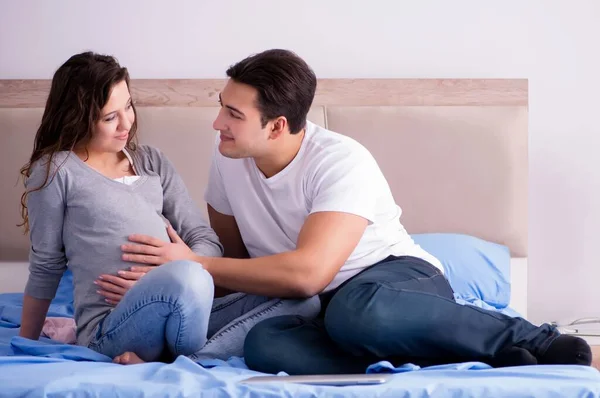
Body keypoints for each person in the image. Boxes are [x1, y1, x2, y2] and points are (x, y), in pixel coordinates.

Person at [100, 49, 592, 373]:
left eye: (233, 114)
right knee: (265, 346)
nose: (217, 123)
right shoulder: (227, 156)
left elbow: (310, 274)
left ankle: (537, 340)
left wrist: (194, 263)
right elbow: (237, 266)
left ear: (277, 127)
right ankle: (459, 353)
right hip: (324, 310)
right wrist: (160, 284)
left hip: (394, 281)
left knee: (359, 315)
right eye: (221, 106)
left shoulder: (340, 161)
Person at [19, 51, 222, 362]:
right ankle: (192, 359)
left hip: (181, 299)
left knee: (297, 303)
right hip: (111, 326)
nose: (126, 123)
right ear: (78, 117)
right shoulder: (57, 172)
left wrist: (173, 267)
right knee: (190, 278)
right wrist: (25, 342)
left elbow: (208, 243)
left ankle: (172, 359)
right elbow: (46, 265)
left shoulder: (152, 161)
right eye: (109, 117)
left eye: (128, 106)